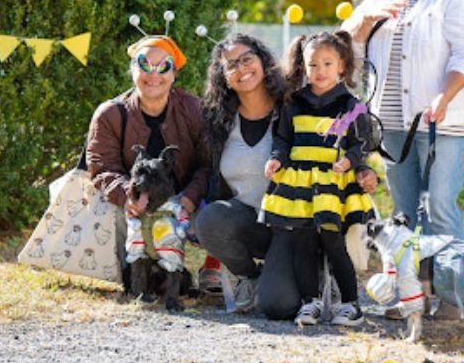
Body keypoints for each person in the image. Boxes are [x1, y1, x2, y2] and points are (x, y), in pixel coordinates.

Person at [343, 0, 464, 320]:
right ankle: (412, 296)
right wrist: (364, 21)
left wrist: (445, 95)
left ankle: (450, 296)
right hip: (392, 123)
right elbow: (347, 49)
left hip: (446, 119)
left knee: (441, 205)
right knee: (404, 212)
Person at [192, 34, 379, 319]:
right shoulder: (220, 119)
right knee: (210, 219)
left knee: (278, 306)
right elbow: (209, 172)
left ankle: (323, 279)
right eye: (231, 65)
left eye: (246, 59)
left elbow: (348, 140)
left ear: (263, 61)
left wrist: (360, 167)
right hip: (254, 218)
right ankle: (253, 277)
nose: (241, 69)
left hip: (296, 214)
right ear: (223, 76)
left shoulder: (293, 103)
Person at [262, 31, 375, 326]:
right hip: (299, 183)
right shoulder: (293, 102)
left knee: (333, 242)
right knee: (303, 242)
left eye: (327, 64)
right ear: (303, 66)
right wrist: (277, 158)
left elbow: (360, 143)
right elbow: (284, 139)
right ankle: (310, 301)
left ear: (342, 66)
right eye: (313, 65)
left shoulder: (351, 106)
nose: (320, 71)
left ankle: (350, 304)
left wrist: (350, 160)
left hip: (332, 186)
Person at [86, 35, 205, 274]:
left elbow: (209, 163)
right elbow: (102, 166)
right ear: (132, 70)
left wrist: (189, 199)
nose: (154, 75)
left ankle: (208, 269)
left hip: (181, 202)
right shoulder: (110, 114)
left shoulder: (194, 109)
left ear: (174, 74)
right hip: (131, 203)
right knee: (117, 218)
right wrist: (126, 196)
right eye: (144, 65)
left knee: (214, 212)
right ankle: (131, 270)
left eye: (164, 67)